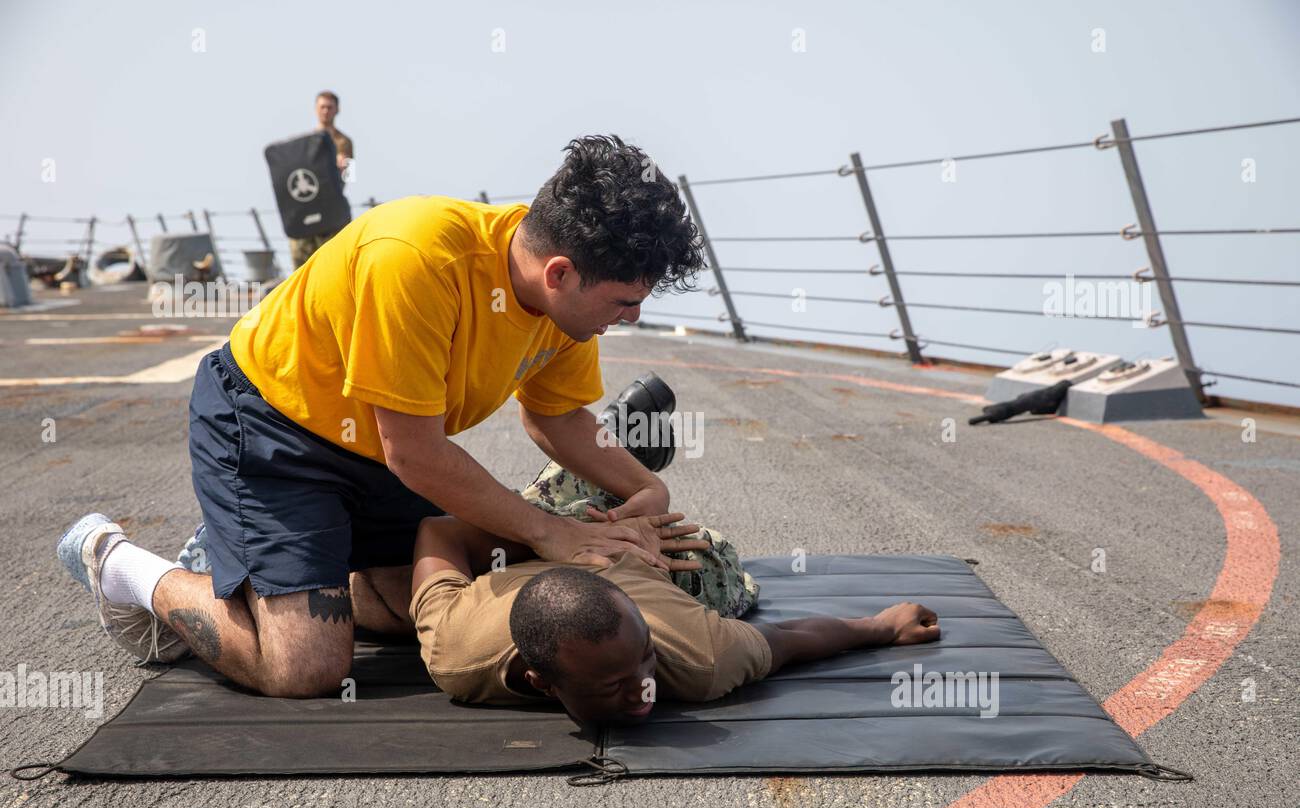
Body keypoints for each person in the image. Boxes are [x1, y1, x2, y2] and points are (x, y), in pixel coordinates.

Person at [58, 134, 707, 699]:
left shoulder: (560, 303)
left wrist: (645, 487)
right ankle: (121, 563)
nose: (633, 318)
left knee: (431, 606)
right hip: (269, 427)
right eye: (625, 302)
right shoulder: (419, 259)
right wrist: (551, 532)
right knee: (306, 667)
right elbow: (417, 456)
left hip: (376, 446)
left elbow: (558, 415)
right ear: (561, 272)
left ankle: (265, 564)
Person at [407, 467, 941, 724]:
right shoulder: (458, 652)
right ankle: (585, 484)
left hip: (651, 557)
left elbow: (787, 639)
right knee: (382, 590)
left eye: (646, 661)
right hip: (538, 554)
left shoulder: (696, 652)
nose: (643, 690)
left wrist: (882, 626)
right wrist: (535, 532)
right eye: (617, 684)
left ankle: (609, 476)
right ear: (541, 684)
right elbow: (439, 527)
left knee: (720, 564)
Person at [288, 90, 355, 269]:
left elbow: (350, 176)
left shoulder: (344, 142)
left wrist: (341, 168)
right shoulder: (305, 143)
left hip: (332, 207)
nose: (326, 111)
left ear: (337, 110)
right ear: (316, 110)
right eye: (322, 107)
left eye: (329, 107)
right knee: (301, 258)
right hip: (308, 206)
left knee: (335, 261)